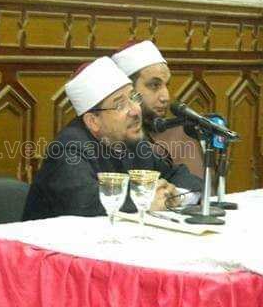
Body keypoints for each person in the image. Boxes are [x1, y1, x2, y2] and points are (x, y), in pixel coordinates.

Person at [22, 56, 202, 220]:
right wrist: (147, 199)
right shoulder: (68, 149)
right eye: (120, 105)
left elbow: (178, 175)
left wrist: (175, 195)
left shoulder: (134, 141)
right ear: (93, 121)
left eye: (134, 98)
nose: (135, 110)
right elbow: (86, 203)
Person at [112, 39, 203, 179]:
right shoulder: (108, 137)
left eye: (167, 85)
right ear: (127, 89)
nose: (165, 97)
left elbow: (197, 186)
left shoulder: (179, 134)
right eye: (154, 85)